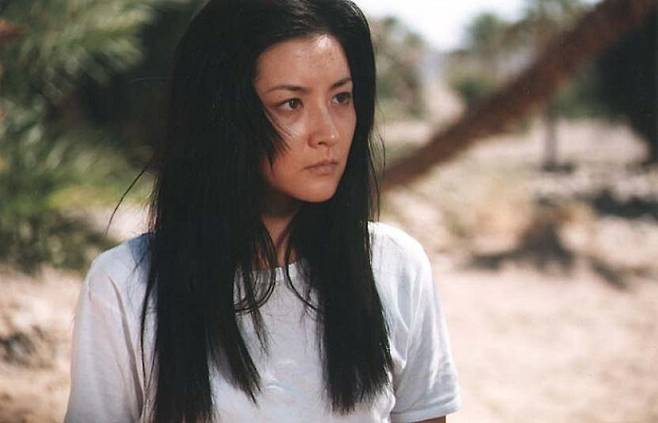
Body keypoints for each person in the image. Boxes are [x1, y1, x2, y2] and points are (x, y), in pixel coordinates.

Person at [64, 0, 461, 422]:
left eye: (341, 97)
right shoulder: (125, 285)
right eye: (291, 103)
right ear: (223, 115)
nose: (328, 132)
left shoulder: (395, 267)